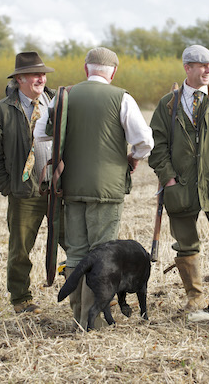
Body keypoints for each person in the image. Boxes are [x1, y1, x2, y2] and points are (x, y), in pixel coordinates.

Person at [34, 46, 154, 330]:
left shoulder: (64, 96)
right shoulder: (121, 97)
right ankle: (92, 321)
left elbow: (41, 134)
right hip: (107, 189)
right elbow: (145, 142)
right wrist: (132, 157)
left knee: (76, 252)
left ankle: (78, 316)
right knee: (101, 254)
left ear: (86, 69)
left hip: (71, 187)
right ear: (113, 72)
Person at [148, 45, 209, 316]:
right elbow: (158, 146)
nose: (208, 70)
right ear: (187, 68)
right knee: (186, 245)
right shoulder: (168, 103)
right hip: (180, 190)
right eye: (202, 66)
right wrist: (168, 179)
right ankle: (195, 298)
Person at [0, 52, 58, 314]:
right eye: (35, 74)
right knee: (21, 248)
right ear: (19, 79)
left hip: (58, 189)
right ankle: (21, 299)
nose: (41, 78)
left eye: (43, 74)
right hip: (24, 192)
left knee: (74, 242)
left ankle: (86, 290)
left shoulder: (58, 104)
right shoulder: (1, 111)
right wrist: (7, 185)